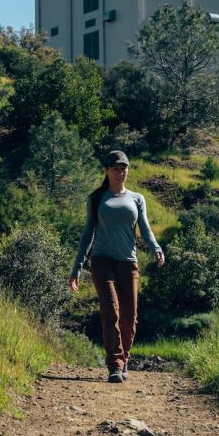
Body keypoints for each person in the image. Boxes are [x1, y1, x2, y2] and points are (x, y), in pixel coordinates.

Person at [69, 150, 165, 383]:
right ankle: (115, 364)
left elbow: (145, 228)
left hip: (128, 263)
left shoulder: (137, 198)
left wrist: (156, 248)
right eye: (116, 168)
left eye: (124, 168)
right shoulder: (97, 198)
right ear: (107, 171)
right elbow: (87, 234)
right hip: (101, 262)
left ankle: (124, 359)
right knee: (111, 311)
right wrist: (77, 267)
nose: (120, 172)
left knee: (129, 317)